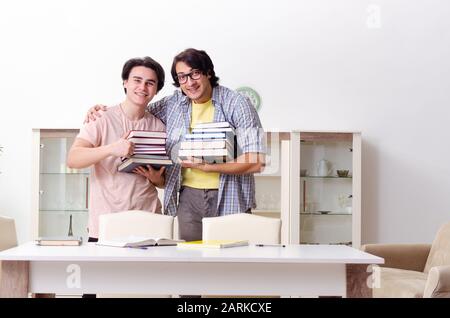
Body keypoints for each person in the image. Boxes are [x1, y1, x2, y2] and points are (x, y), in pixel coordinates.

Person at [85, 48, 266, 241]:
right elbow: (137, 108)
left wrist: (208, 167)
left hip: (230, 194)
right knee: (192, 261)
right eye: (182, 77)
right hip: (188, 198)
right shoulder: (173, 104)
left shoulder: (237, 103)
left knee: (231, 261)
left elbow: (256, 161)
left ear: (208, 73)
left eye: (195, 73)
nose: (189, 82)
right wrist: (99, 110)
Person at [68, 56, 166, 243]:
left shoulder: (159, 126)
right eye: (137, 80)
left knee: (151, 274)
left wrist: (157, 179)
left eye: (150, 83)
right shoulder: (101, 117)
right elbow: (73, 159)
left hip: (149, 221)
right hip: (107, 223)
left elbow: (162, 181)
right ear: (125, 82)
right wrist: (112, 149)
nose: (142, 88)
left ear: (156, 90)